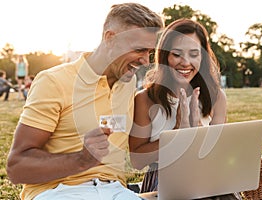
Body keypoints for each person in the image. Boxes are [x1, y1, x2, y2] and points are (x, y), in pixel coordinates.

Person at [6, 3, 163, 200]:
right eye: (139, 50)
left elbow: (138, 150)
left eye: (149, 51)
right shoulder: (54, 81)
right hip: (60, 192)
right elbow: (16, 168)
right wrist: (81, 160)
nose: (145, 61)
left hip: (116, 191)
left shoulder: (128, 83)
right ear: (110, 38)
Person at [129, 19, 241, 199]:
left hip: (206, 175)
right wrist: (178, 133)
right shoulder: (145, 99)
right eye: (177, 54)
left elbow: (218, 156)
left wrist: (197, 132)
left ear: (202, 57)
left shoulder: (216, 97)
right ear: (165, 56)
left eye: (194, 54)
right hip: (163, 176)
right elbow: (137, 160)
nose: (185, 62)